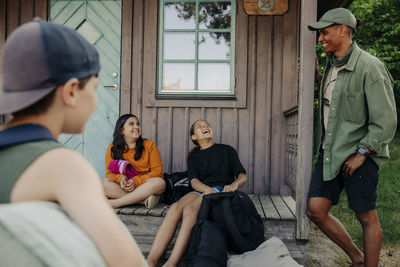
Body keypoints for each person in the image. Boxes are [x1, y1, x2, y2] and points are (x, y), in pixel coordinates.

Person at [0, 20, 146, 266]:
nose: (96, 100)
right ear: (70, 92)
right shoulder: (63, 166)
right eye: (95, 88)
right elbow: (127, 261)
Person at [306, 8, 397, 267]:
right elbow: (339, 98)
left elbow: (386, 120)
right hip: (330, 151)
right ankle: (357, 257)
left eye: (325, 32)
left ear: (343, 30)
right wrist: (317, 78)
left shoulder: (370, 67)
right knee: (315, 210)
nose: (321, 38)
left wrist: (362, 154)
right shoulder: (332, 64)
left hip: (359, 154)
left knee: (366, 217)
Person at [146, 119, 248, 267]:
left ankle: (171, 263)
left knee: (189, 210)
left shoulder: (227, 150)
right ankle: (150, 260)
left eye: (207, 125)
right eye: (200, 126)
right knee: (175, 207)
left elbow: (242, 176)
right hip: (201, 189)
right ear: (194, 137)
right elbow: (193, 181)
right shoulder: (194, 158)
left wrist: (234, 184)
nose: (205, 126)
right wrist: (206, 189)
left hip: (220, 190)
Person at [102, 114, 166, 209]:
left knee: (160, 183)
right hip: (124, 187)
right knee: (101, 183)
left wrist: (136, 181)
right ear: (121, 130)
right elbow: (110, 174)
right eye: (131, 124)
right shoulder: (112, 148)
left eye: (138, 124)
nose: (136, 127)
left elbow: (157, 172)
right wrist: (121, 178)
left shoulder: (149, 145)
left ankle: (116, 203)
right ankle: (142, 200)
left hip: (145, 185)